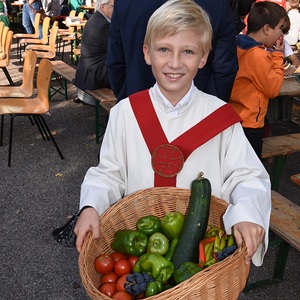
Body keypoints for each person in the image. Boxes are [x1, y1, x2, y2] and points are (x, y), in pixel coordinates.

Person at [75, 0, 271, 267]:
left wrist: (248, 213)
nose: (175, 63)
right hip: (139, 252)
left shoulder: (221, 118)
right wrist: (91, 206)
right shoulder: (126, 113)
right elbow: (109, 173)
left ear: (204, 57)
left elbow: (246, 176)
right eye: (164, 49)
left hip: (203, 261)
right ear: (147, 53)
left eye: (188, 51)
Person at [106, 0, 238, 103]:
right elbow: (225, 67)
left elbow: (115, 62)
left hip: (137, 105)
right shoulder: (218, 4)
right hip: (198, 118)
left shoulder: (125, 3)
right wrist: (211, 107)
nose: (174, 64)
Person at [229, 1, 288, 158]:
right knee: (249, 171)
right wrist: (278, 56)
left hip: (233, 117)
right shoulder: (258, 56)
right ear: (267, 29)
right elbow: (273, 88)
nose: (281, 35)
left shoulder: (237, 45)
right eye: (280, 29)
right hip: (250, 124)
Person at [74, 0, 113, 105]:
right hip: (94, 75)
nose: (117, 10)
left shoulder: (96, 19)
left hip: (88, 72)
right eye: (114, 6)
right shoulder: (102, 25)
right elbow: (118, 49)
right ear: (102, 7)